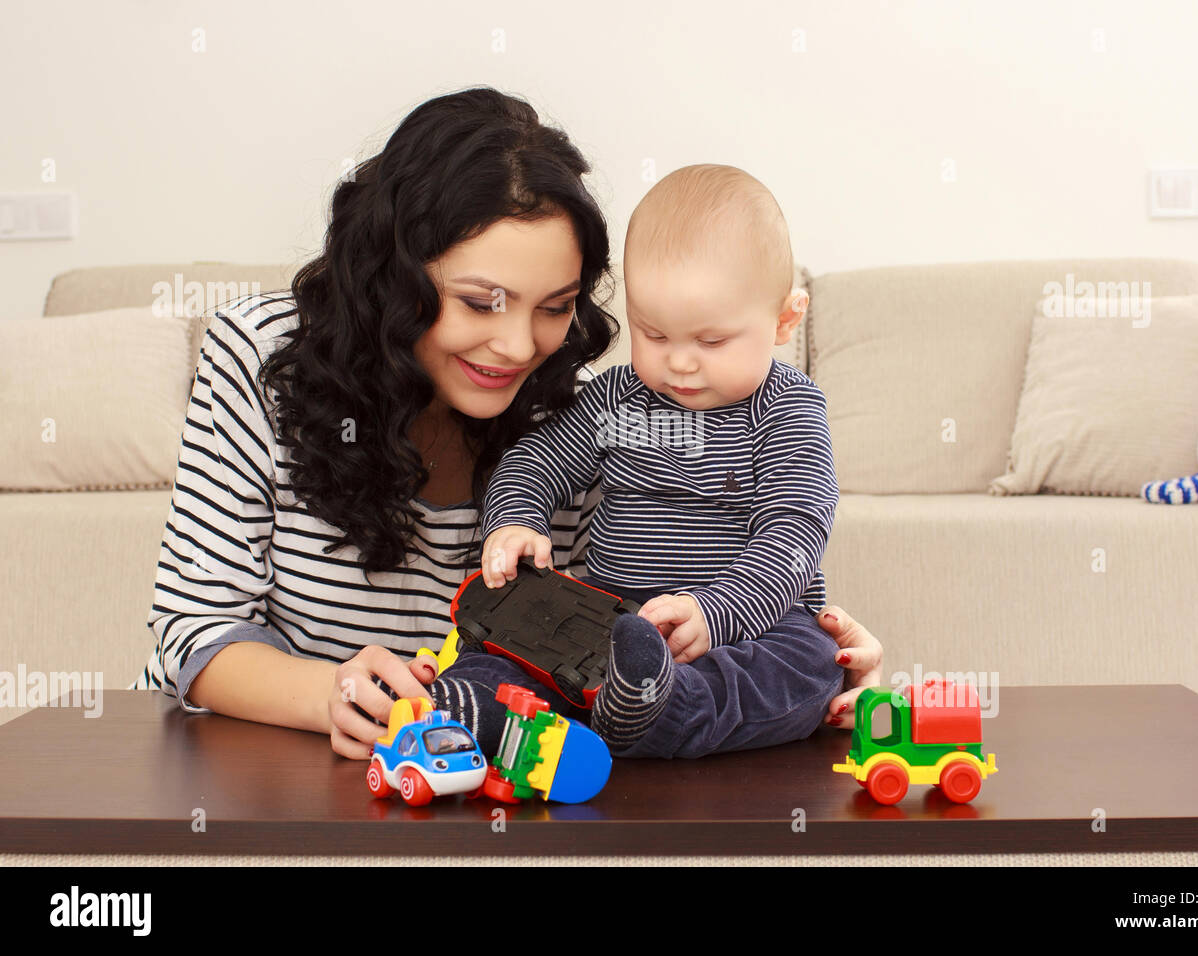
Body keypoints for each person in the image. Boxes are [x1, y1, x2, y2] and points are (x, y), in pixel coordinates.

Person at [131, 87, 883, 759]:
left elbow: (648, 614)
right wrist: (330, 696)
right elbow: (194, 631)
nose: (519, 346)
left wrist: (812, 668)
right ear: (397, 277)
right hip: (269, 769)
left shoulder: (583, 399)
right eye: (480, 302)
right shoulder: (261, 358)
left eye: (554, 307)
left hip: (505, 773)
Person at [444, 164, 842, 759]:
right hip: (609, 619)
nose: (679, 364)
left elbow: (795, 529)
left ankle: (666, 709)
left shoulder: (787, 409)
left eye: (710, 342)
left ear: (785, 319)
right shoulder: (616, 398)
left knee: (811, 664)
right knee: (511, 640)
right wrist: (517, 520)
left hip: (741, 624)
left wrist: (717, 612)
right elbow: (537, 460)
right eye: (653, 335)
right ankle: (482, 705)